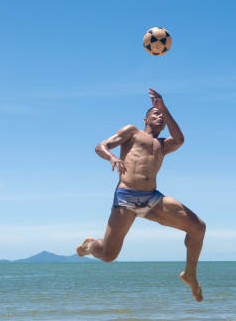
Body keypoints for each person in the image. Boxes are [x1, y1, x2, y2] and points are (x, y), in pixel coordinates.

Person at [76, 88, 206, 302]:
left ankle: (190, 273)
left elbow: (180, 139)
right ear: (145, 118)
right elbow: (101, 146)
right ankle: (90, 245)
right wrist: (111, 158)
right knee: (108, 255)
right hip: (126, 197)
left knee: (198, 228)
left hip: (152, 199)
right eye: (156, 114)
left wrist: (165, 108)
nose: (160, 118)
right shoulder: (132, 131)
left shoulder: (163, 145)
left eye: (163, 116)